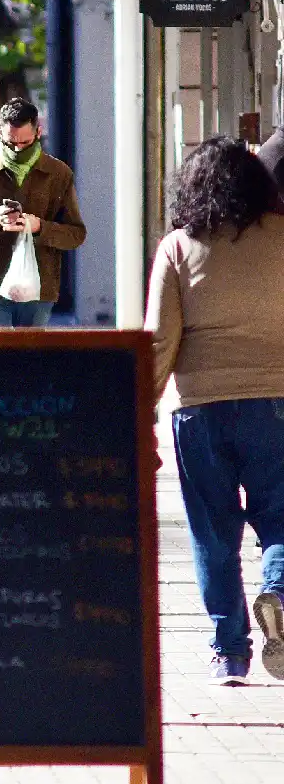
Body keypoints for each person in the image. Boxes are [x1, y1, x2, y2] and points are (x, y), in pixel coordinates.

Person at [145, 135, 284, 686]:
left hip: (200, 409)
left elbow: (159, 340)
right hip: (278, 402)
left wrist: (139, 412)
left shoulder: (178, 247)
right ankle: (276, 584)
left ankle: (230, 652)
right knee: (281, 515)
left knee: (213, 531)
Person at [0, 97, 86, 328]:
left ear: (38, 132)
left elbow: (75, 234)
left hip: (38, 288)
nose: (17, 149)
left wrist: (39, 227)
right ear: (0, 132)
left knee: (29, 361)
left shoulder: (58, 173)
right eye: (10, 142)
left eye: (25, 142)